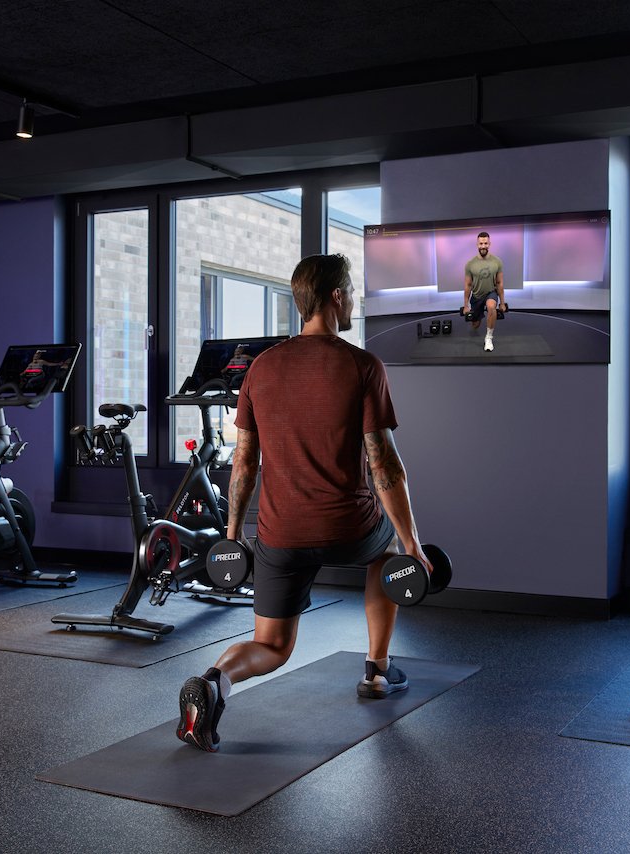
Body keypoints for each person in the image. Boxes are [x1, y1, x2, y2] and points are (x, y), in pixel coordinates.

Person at [176, 253, 433, 753]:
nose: (354, 299)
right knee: (387, 555)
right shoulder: (362, 365)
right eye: (351, 290)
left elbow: (244, 463)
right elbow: (384, 464)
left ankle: (214, 681)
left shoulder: (261, 368)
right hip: (349, 528)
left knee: (272, 645)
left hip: (280, 534)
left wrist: (232, 536)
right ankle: (377, 670)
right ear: (336, 296)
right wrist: (412, 544)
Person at [463, 231, 505, 352]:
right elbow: (468, 285)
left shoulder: (497, 262)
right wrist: (466, 305)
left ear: (489, 244)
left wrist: (502, 303)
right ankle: (480, 316)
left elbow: (499, 283)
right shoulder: (470, 264)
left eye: (485, 243)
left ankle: (488, 338)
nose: (483, 246)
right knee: (475, 325)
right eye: (481, 243)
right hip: (476, 296)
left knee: (491, 306)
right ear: (477, 244)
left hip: (491, 293)